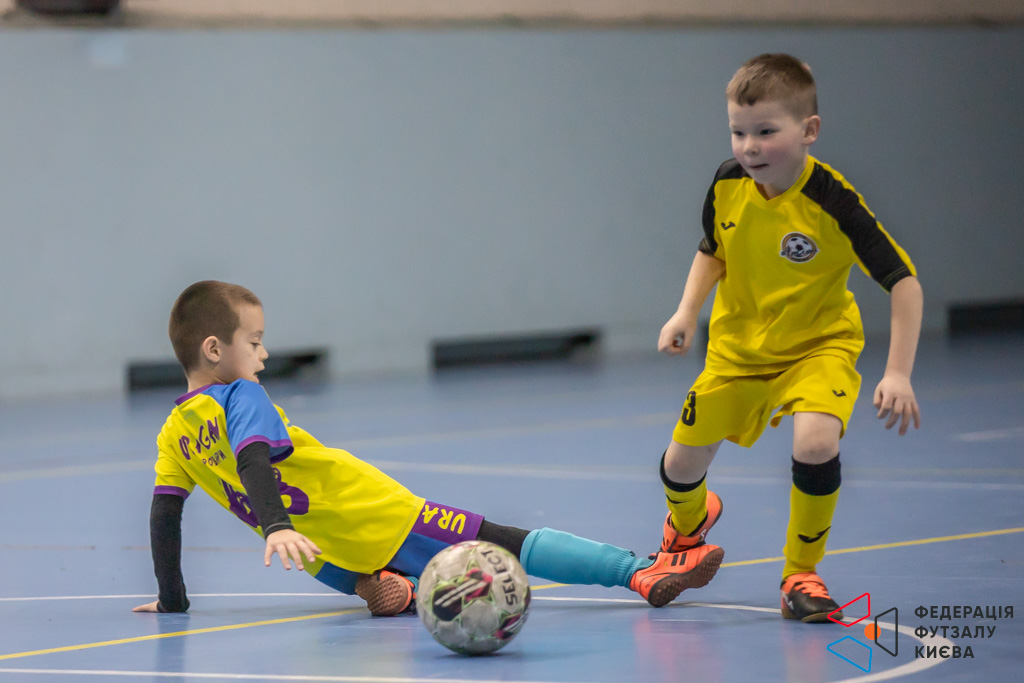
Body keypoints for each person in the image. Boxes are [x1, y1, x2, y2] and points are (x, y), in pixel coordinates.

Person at [133, 281, 724, 618]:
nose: (263, 355)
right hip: (374, 513)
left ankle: (381, 584)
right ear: (215, 349)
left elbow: (164, 515)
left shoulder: (171, 434)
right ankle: (638, 571)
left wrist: (172, 598)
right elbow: (252, 460)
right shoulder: (241, 395)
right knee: (505, 541)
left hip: (323, 559)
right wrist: (277, 524)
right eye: (255, 342)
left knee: (361, 569)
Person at [654, 53, 923, 623]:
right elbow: (713, 250)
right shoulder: (728, 183)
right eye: (738, 132)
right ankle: (687, 528)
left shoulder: (834, 201)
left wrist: (898, 372)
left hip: (817, 347)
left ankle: (801, 572)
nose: (749, 147)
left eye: (765, 132)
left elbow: (903, 282)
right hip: (738, 351)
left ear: (809, 130)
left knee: (817, 443)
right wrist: (685, 313)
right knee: (680, 465)